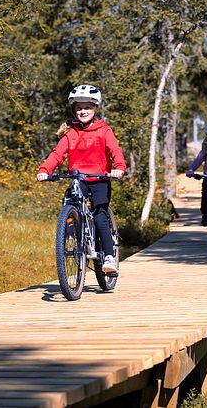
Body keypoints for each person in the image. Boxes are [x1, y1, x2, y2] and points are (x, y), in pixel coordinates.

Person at [37, 84, 126, 274]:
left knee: (100, 215)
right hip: (79, 179)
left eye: (87, 107)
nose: (82, 111)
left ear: (96, 108)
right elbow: (57, 154)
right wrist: (45, 169)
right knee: (69, 200)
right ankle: (72, 232)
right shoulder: (71, 133)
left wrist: (118, 168)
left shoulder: (104, 130)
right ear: (73, 109)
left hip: (100, 179)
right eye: (78, 107)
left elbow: (115, 151)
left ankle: (109, 257)